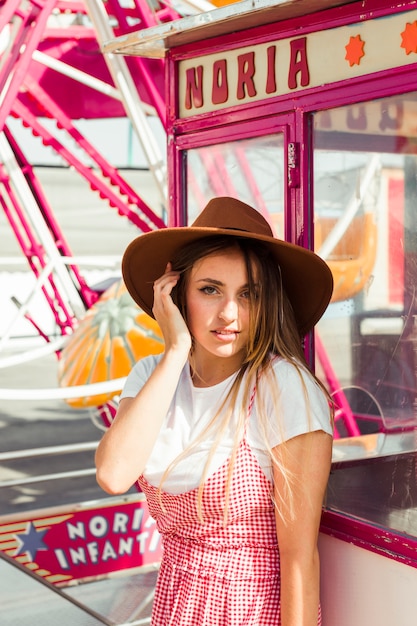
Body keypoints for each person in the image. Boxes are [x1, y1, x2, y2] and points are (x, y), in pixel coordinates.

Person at [95, 196, 334, 626]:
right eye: (210, 289)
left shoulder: (284, 387)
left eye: (248, 294)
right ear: (176, 292)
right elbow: (113, 474)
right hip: (175, 606)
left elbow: (300, 559)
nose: (229, 314)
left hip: (251, 611)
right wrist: (175, 351)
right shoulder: (155, 374)